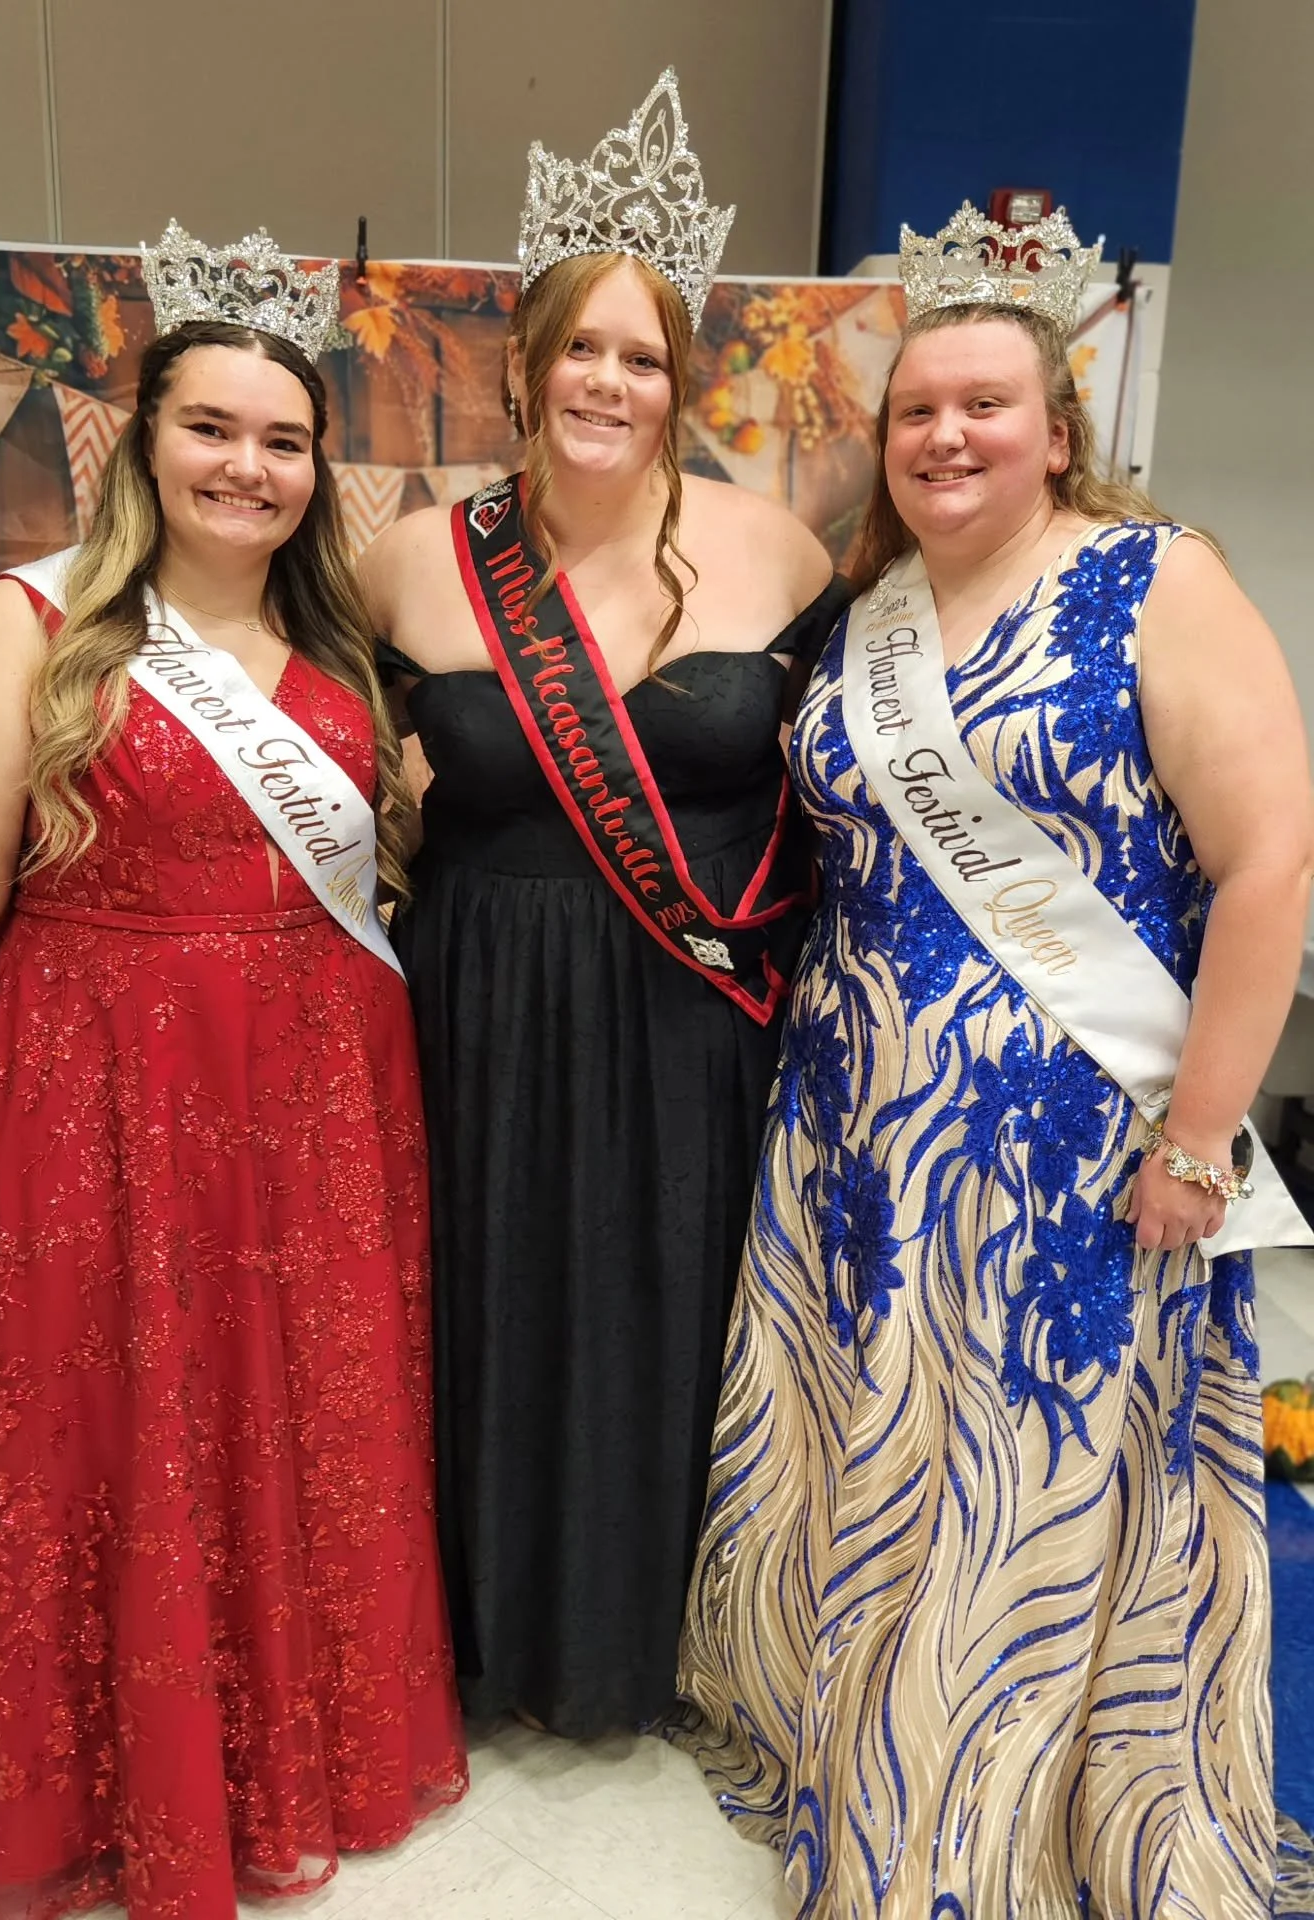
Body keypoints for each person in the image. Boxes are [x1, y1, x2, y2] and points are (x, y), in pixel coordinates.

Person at [676, 202, 1314, 1918]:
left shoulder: (1153, 578)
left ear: (1057, 427)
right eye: (917, 412)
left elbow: (1273, 864)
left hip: (1072, 1143)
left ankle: (976, 1839)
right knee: (881, 1455)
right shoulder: (873, 606)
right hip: (857, 1120)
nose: (947, 435)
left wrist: (1198, 1143)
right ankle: (860, 1768)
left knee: (1015, 1481)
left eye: (985, 406)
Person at [0, 222, 465, 1920]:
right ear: (144, 440)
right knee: (102, 1419)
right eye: (212, 428)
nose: (248, 466)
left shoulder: (342, 650)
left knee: (287, 1421)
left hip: (313, 1096)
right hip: (97, 1089)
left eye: (285, 441)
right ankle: (111, 1787)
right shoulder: (32, 624)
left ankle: (286, 1754)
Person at [362, 70, 844, 1737]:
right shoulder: (413, 558)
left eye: (644, 356)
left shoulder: (780, 550)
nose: (610, 382)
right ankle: (485, 1640)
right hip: (480, 1001)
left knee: (671, 1299)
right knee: (488, 1305)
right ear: (526, 360)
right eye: (583, 347)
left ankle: (664, 1639)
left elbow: (851, 789)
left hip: (689, 1003)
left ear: (680, 378)